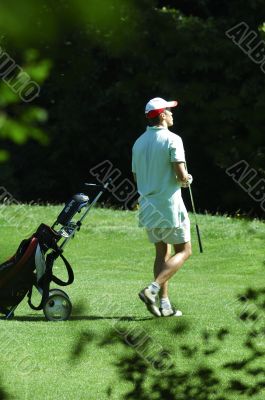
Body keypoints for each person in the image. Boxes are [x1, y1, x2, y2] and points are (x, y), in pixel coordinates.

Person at [132, 97, 192, 317]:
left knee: (162, 252)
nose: (172, 113)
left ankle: (165, 305)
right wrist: (187, 179)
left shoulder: (138, 142)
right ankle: (153, 288)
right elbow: (180, 174)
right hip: (168, 205)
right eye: (169, 110)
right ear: (161, 115)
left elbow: (136, 176)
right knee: (185, 251)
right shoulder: (173, 139)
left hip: (148, 206)